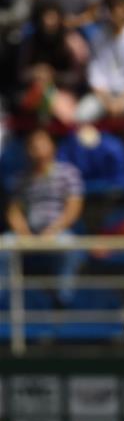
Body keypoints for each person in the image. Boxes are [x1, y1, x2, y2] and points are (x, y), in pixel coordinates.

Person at [3, 129, 85, 304]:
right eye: (33, 145)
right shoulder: (22, 178)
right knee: (3, 246)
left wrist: (54, 229)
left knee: (71, 248)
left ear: (52, 146)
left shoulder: (68, 173)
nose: (37, 148)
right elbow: (14, 210)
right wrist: (23, 232)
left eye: (42, 143)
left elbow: (74, 207)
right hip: (28, 233)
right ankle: (3, 296)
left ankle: (62, 298)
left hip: (57, 231)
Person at [76, 0, 124, 123]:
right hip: (103, 95)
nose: (117, 12)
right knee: (80, 116)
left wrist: (121, 103)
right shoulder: (98, 37)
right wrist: (107, 101)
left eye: (122, 8)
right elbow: (95, 73)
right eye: (113, 8)